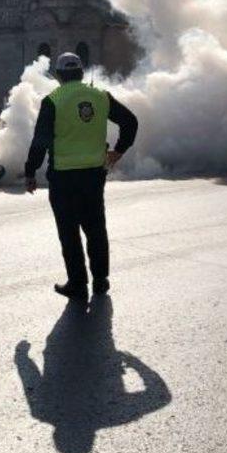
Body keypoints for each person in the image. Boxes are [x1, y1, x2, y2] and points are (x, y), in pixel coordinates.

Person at [25, 51, 138, 300]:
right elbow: (130, 122)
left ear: (58, 75)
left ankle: (77, 283)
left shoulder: (53, 100)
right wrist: (119, 150)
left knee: (69, 232)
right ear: (81, 72)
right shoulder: (101, 97)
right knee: (96, 228)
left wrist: (30, 172)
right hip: (94, 176)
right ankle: (101, 280)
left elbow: (40, 142)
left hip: (64, 178)